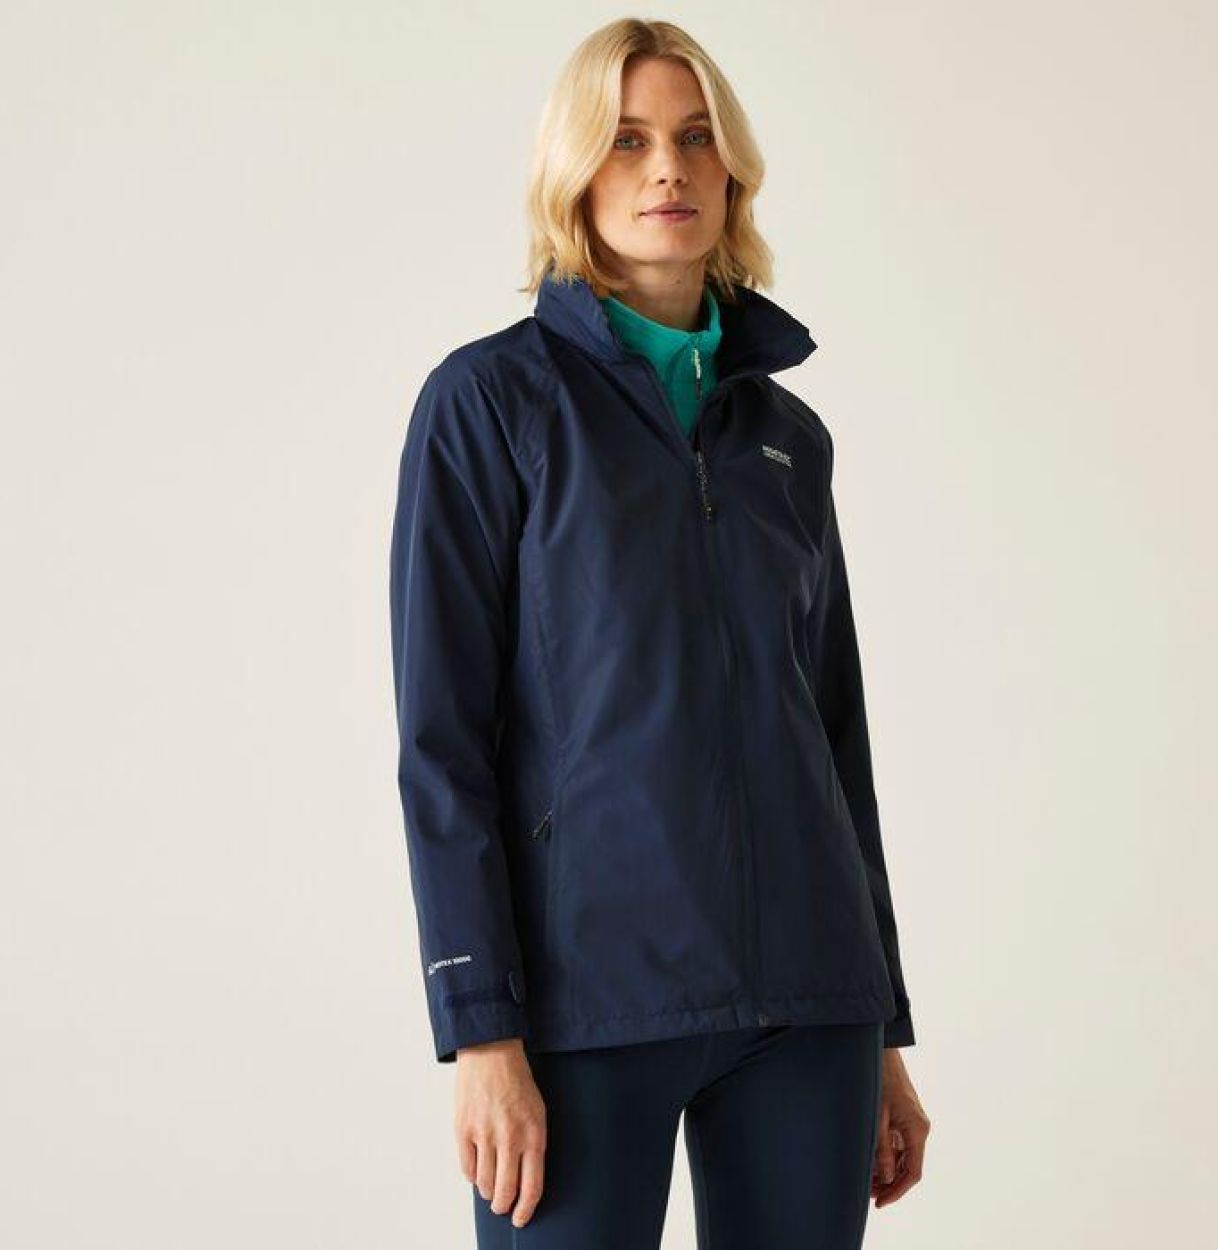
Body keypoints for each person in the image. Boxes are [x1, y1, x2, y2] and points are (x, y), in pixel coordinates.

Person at [389, 17, 932, 1248]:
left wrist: (882, 1027)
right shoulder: (488, 405)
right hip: (585, 1003)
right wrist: (480, 1030)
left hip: (808, 1003)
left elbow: (835, 743)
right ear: (573, 170)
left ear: (731, 169)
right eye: (626, 140)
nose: (666, 169)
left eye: (694, 139)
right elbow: (441, 743)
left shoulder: (786, 439)